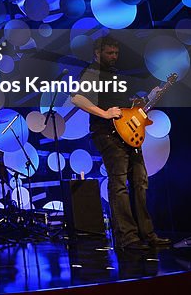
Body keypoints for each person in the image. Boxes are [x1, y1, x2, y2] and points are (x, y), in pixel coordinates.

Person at [71, 36, 171, 251]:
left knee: (140, 183)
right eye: (109, 53)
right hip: (107, 134)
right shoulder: (93, 71)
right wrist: (104, 113)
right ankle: (127, 237)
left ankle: (147, 234)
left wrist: (148, 101)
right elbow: (77, 98)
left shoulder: (115, 75)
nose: (114, 57)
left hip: (128, 134)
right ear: (97, 52)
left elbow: (128, 108)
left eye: (116, 53)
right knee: (119, 186)